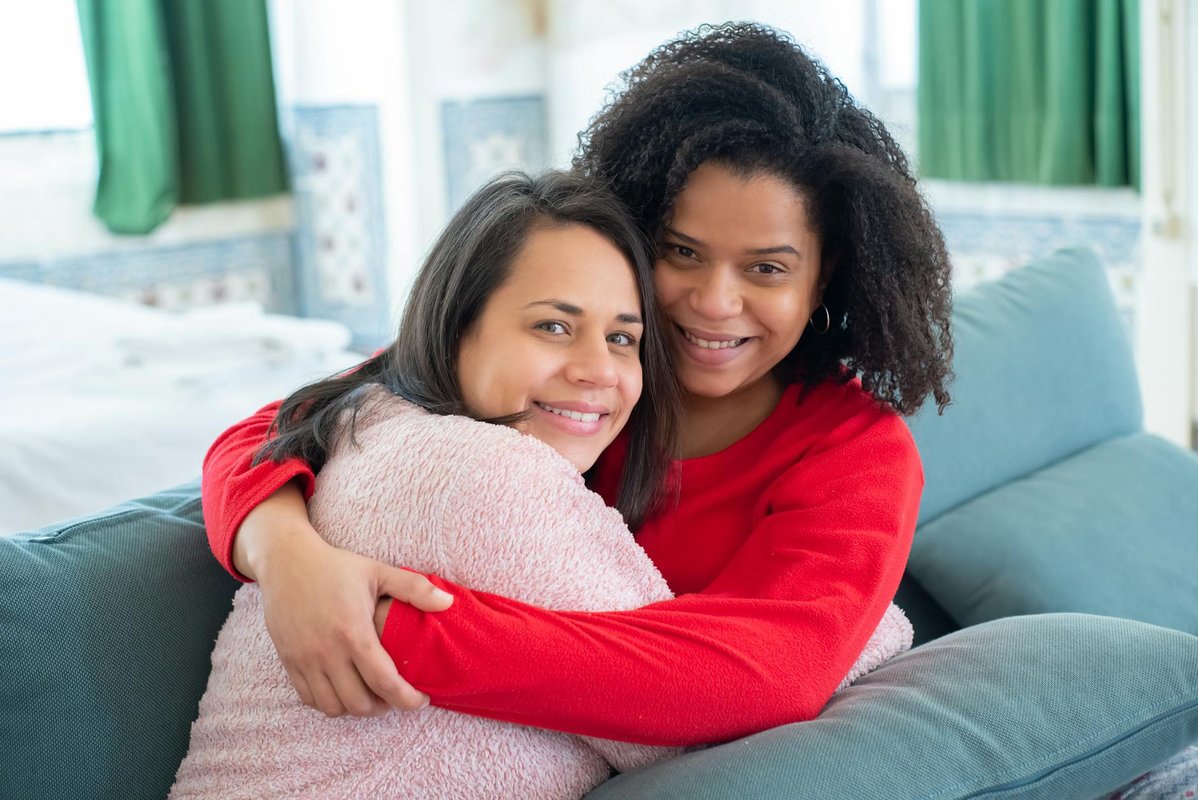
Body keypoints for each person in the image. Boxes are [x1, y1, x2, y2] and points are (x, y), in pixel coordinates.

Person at [201, 22, 952, 747]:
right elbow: (286, 423)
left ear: (826, 280)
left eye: (767, 269)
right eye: (681, 252)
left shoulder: (857, 454)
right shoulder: (573, 361)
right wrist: (288, 561)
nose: (714, 301)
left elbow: (760, 675)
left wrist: (384, 628)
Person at [172, 170, 684, 799]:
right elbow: (680, 718)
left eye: (621, 338)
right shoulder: (485, 477)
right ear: (455, 327)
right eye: (553, 326)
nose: (598, 370)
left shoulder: (371, 421)